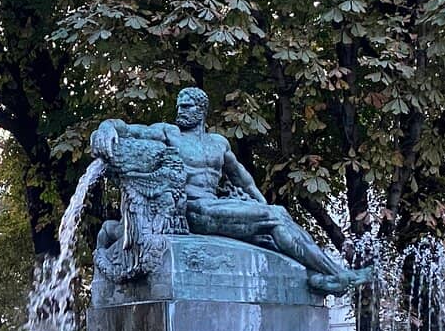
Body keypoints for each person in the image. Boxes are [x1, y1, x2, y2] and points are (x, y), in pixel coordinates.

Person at [91, 87, 372, 293]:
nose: (180, 111)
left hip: (214, 207)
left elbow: (244, 181)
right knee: (273, 218)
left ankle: (323, 276)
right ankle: (338, 275)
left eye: (187, 106)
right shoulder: (168, 133)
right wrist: (106, 127)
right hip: (193, 210)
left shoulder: (219, 143)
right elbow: (128, 129)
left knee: (277, 216)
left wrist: (263, 206)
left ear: (201, 111)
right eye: (179, 105)